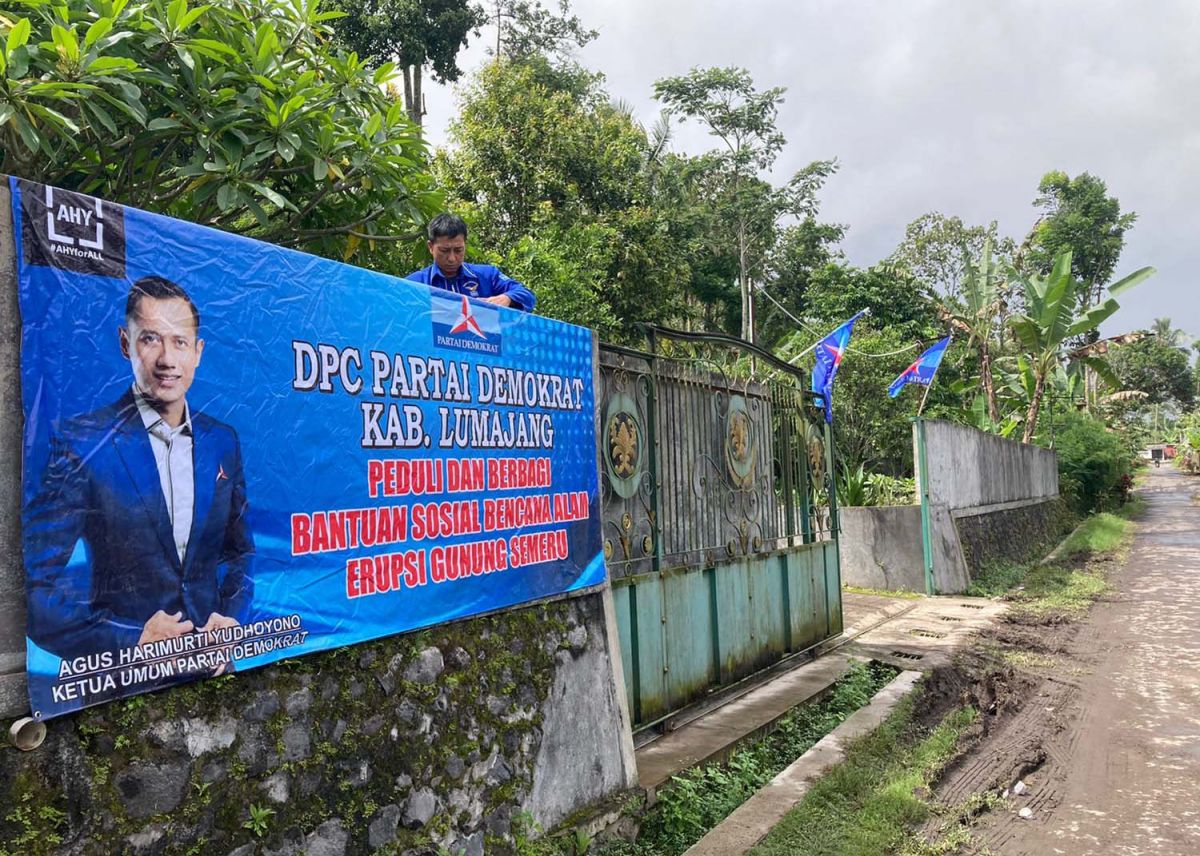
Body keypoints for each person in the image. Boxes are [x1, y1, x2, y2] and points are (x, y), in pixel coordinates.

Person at [23, 276, 254, 661]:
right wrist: (130, 640)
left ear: (197, 352)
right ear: (125, 343)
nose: (167, 359)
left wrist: (232, 619)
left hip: (214, 671)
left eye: (179, 341)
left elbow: (240, 553)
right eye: (150, 338)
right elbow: (31, 588)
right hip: (123, 688)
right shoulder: (82, 444)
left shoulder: (222, 441)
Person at [405, 213, 536, 312]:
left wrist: (507, 298)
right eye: (444, 250)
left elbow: (527, 295)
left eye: (458, 250)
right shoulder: (414, 284)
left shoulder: (487, 275)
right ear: (430, 247)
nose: (452, 258)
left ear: (465, 245)